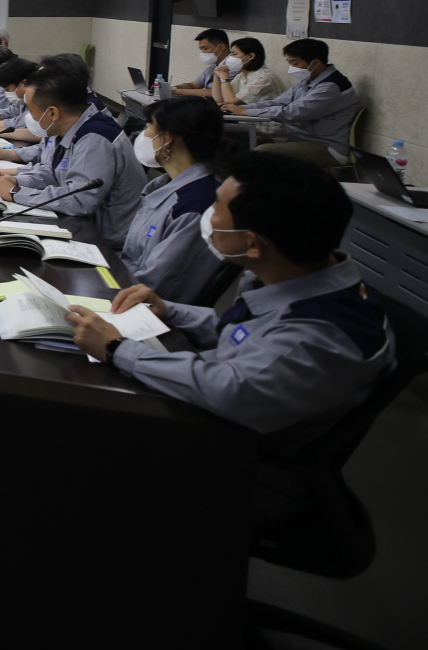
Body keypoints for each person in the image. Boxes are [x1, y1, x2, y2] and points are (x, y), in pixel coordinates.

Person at [67, 153, 394, 521]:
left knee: (73, 435)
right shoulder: (305, 274)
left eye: (217, 209)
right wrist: (170, 310)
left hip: (235, 457)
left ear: (253, 244)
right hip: (230, 425)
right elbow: (246, 333)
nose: (209, 217)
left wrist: (117, 348)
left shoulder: (316, 335)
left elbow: (228, 388)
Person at [0, 58, 146, 240]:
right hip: (80, 224)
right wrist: (15, 181)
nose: (30, 118)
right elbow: (51, 173)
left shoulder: (94, 137)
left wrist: (15, 192)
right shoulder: (65, 128)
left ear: (53, 113)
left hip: (105, 240)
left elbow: (80, 200)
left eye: (31, 111)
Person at [119, 96, 227, 302]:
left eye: (148, 127)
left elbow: (155, 284)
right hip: (126, 285)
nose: (143, 135)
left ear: (168, 138)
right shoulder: (165, 186)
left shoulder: (195, 205)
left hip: (144, 307)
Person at [221, 38, 359, 168]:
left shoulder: (331, 86)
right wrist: (240, 108)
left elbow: (293, 112)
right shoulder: (307, 81)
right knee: (224, 142)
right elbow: (278, 102)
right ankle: (228, 184)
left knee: (262, 152)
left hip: (324, 147)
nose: (291, 68)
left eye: (295, 63)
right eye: (289, 63)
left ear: (316, 63)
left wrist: (247, 112)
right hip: (295, 139)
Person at [211, 36, 283, 127]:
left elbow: (230, 101)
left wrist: (224, 77)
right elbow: (218, 99)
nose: (230, 58)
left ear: (250, 56)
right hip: (246, 125)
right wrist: (217, 76)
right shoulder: (242, 75)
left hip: (264, 129)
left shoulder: (265, 78)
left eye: (234, 54)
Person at [171, 28, 232, 97]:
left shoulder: (234, 67)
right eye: (201, 49)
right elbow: (193, 85)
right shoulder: (214, 66)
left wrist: (178, 91)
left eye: (205, 48)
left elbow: (219, 92)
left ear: (221, 47)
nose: (203, 52)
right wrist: (172, 88)